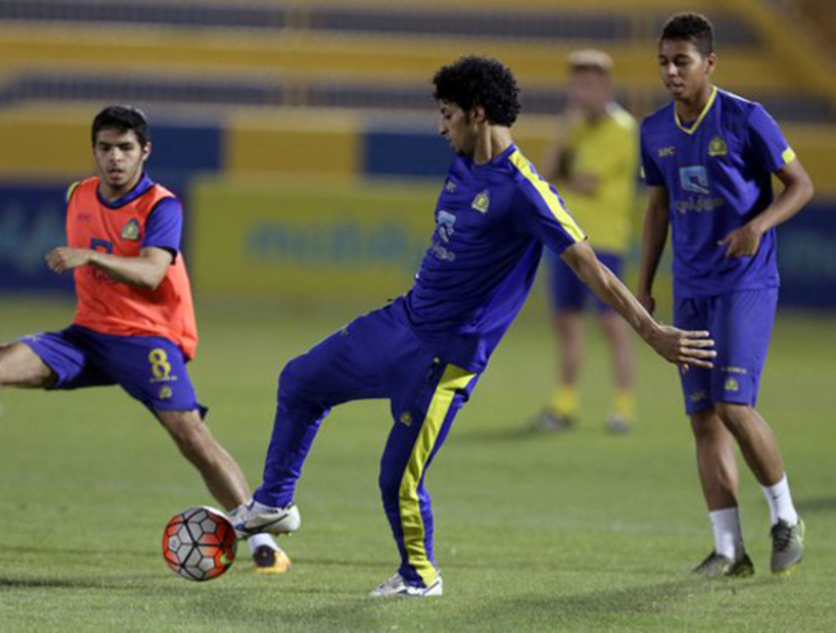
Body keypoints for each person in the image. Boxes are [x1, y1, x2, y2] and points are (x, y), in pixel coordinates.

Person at [229, 56, 715, 597]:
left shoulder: (525, 189)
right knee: (299, 381)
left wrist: (652, 331)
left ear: (477, 114)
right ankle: (273, 504)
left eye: (448, 114)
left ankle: (420, 577)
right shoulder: (464, 163)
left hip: (444, 358)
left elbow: (589, 265)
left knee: (398, 481)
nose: (442, 126)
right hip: (401, 323)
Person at [0, 105, 291, 574]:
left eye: (125, 148)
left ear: (145, 151)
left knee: (190, 435)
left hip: (148, 340)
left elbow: (153, 271)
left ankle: (263, 539)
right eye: (105, 148)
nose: (114, 158)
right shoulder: (79, 194)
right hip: (88, 335)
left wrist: (90, 258)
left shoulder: (162, 206)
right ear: (93, 151)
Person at [637, 13, 813, 577]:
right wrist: (643, 282)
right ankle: (729, 549)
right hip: (690, 289)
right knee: (703, 418)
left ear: (709, 64)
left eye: (681, 61)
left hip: (745, 282)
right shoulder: (654, 131)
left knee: (734, 404)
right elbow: (659, 206)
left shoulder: (746, 118)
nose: (670, 71)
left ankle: (786, 518)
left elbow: (802, 186)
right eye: (664, 61)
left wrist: (758, 227)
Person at [530, 49, 640, 433]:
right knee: (566, 322)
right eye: (578, 82)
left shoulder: (622, 128)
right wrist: (563, 128)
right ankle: (565, 405)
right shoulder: (575, 125)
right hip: (569, 239)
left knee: (613, 324)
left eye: (590, 83)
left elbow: (585, 182)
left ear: (607, 86)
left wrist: (558, 181)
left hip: (604, 240)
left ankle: (623, 408)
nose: (583, 90)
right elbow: (545, 175)